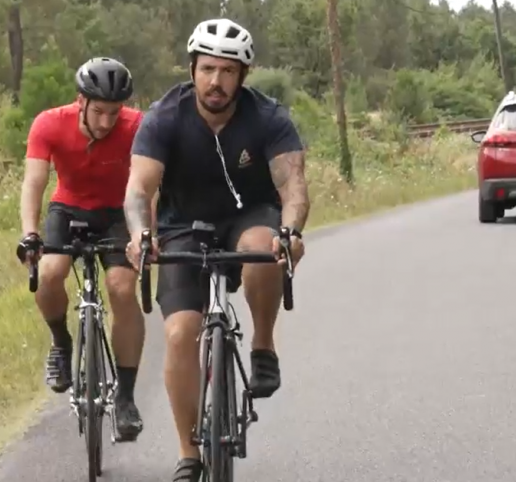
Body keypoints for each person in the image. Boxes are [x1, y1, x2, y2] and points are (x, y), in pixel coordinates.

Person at [123, 18, 310, 481]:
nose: (216, 81)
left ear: (243, 76)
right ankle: (189, 452)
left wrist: (290, 232)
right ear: (192, 70)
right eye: (207, 69)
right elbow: (137, 189)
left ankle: (263, 345)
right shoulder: (165, 115)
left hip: (250, 216)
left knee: (265, 249)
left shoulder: (268, 117)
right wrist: (139, 234)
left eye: (228, 72)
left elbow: (294, 188)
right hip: (183, 225)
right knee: (180, 334)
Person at [17, 57, 146, 442]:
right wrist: (30, 234)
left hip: (119, 212)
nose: (107, 122)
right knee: (50, 273)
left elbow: (148, 183)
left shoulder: (138, 127)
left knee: (122, 288)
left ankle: (125, 396)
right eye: (99, 111)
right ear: (80, 101)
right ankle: (61, 342)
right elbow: (34, 182)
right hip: (69, 208)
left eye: (115, 112)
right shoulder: (49, 123)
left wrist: (145, 233)